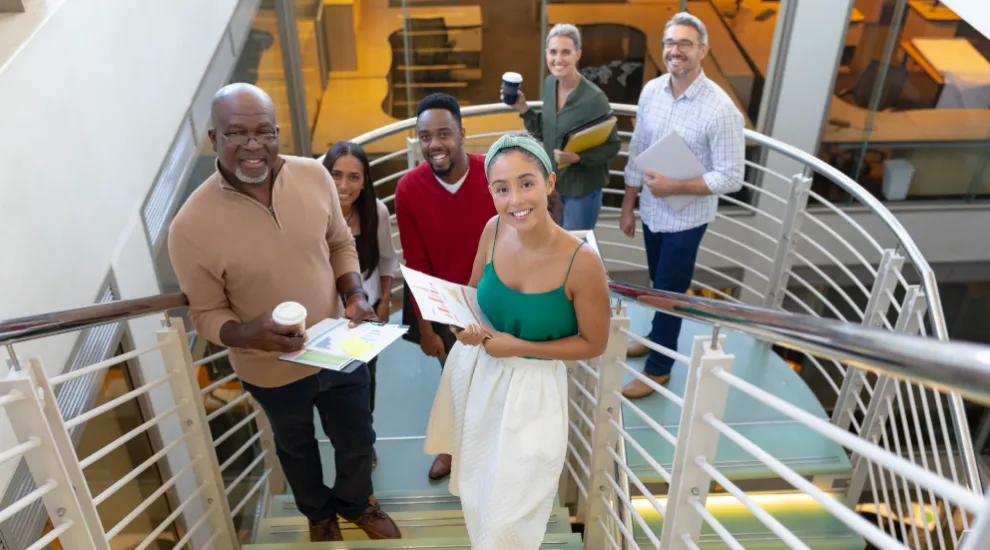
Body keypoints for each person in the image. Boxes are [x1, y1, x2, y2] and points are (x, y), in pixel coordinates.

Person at [168, 83, 400, 542]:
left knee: (357, 439)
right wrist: (247, 332)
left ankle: (356, 503)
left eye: (264, 132)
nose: (254, 147)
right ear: (215, 139)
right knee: (295, 448)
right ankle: (319, 515)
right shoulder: (189, 227)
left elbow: (339, 243)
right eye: (237, 134)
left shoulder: (314, 176)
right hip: (269, 369)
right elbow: (206, 314)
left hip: (337, 343)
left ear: (278, 133)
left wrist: (354, 295)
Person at [424, 133, 610, 550]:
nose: (514, 200)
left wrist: (517, 347)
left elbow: (593, 343)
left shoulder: (582, 263)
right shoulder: (491, 231)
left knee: (511, 517)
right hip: (479, 376)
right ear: (489, 191)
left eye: (526, 183)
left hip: (534, 393)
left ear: (549, 183)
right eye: (501, 188)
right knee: (478, 491)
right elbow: (470, 298)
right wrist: (463, 328)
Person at [619, 12, 744, 398]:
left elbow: (732, 176)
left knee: (671, 294)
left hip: (687, 220)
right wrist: (628, 203)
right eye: (670, 43)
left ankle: (659, 369)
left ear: (703, 50)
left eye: (685, 44)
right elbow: (638, 148)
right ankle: (654, 339)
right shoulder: (652, 91)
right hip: (652, 213)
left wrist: (677, 186)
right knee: (659, 284)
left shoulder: (721, 109)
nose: (676, 51)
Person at [394, 93, 497, 481]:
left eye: (443, 134)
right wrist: (425, 328)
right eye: (424, 137)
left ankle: (489, 449)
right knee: (454, 379)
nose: (434, 144)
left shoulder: (492, 174)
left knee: (495, 378)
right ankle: (453, 448)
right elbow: (417, 265)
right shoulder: (408, 189)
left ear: (461, 134)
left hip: (496, 299)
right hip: (445, 306)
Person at [322, 141, 399, 469]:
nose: (344, 185)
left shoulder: (376, 212)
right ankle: (346, 443)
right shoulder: (313, 212)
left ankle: (364, 443)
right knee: (332, 389)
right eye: (336, 175)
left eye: (354, 177)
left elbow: (386, 259)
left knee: (364, 382)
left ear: (365, 180)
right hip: (325, 317)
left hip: (366, 316)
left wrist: (384, 303)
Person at [504, 23, 620, 231]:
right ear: (546, 54)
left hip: (581, 192)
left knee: (575, 251)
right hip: (552, 187)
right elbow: (545, 132)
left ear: (578, 54)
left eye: (566, 52)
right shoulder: (550, 84)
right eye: (553, 52)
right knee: (554, 247)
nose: (558, 59)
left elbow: (613, 146)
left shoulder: (595, 99)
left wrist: (578, 158)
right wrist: (522, 107)